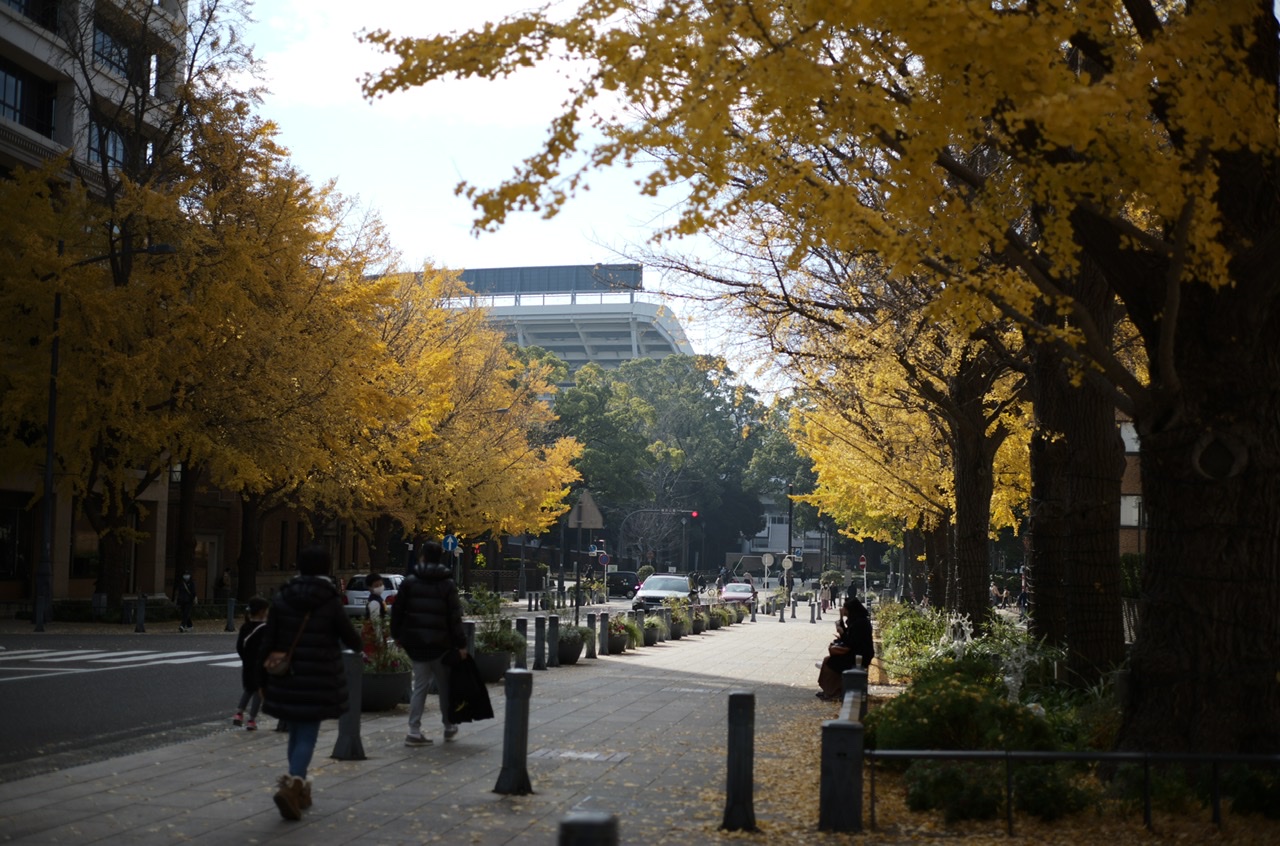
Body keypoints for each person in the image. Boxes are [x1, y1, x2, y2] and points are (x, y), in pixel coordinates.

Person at [260, 545, 361, 821]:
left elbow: (268, 639)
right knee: (307, 734)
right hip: (318, 677)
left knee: (295, 730)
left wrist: (261, 674)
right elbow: (350, 637)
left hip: (287, 676)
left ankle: (298, 788)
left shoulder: (282, 596)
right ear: (326, 567)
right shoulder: (328, 599)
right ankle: (294, 786)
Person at [391, 540, 468, 747]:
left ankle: (414, 729)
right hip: (442, 643)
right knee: (444, 686)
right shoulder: (447, 583)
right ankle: (449, 725)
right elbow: (454, 617)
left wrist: (397, 634)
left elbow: (397, 610)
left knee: (420, 686)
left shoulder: (410, 582)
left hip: (416, 642)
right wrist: (461, 644)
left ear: (422, 556)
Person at [816, 595, 875, 701]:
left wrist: (842, 633)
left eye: (845, 609)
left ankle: (834, 692)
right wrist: (841, 620)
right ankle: (828, 690)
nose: (843, 610)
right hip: (855, 653)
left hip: (859, 656)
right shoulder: (855, 620)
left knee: (831, 662)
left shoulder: (860, 623)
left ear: (850, 610)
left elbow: (852, 642)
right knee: (827, 660)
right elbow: (849, 637)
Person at [233, 597, 270, 730]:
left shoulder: (245, 626)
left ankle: (239, 713)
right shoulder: (265, 628)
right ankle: (251, 720)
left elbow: (239, 646)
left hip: (247, 664)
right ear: (261, 612)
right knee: (258, 692)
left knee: (248, 688)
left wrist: (245, 658)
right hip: (260, 665)